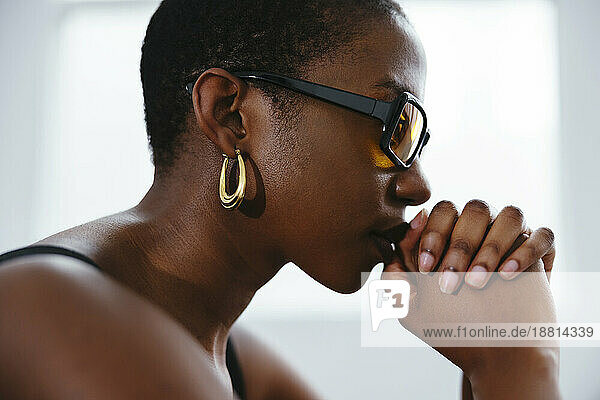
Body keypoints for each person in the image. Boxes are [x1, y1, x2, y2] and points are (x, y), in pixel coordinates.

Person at [0, 0, 559, 399]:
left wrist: (491, 361)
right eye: (393, 127)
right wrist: (524, 364)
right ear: (231, 116)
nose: (418, 186)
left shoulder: (240, 363)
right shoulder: (45, 308)